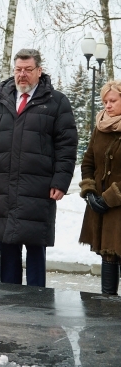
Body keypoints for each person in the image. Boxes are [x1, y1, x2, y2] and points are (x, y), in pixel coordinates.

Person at [0, 48, 78, 287]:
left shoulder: (56, 101)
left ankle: (37, 307)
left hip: (38, 189)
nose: (22, 75)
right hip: (4, 187)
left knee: (35, 250)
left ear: (39, 71)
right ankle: (9, 306)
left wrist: (60, 181)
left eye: (28, 70)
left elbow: (67, 145)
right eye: (18, 70)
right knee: (8, 247)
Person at [79, 80, 121, 295]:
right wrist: (89, 191)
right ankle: (107, 308)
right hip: (101, 207)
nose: (108, 105)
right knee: (108, 254)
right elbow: (88, 162)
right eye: (105, 101)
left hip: (117, 205)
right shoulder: (100, 127)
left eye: (113, 100)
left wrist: (109, 197)